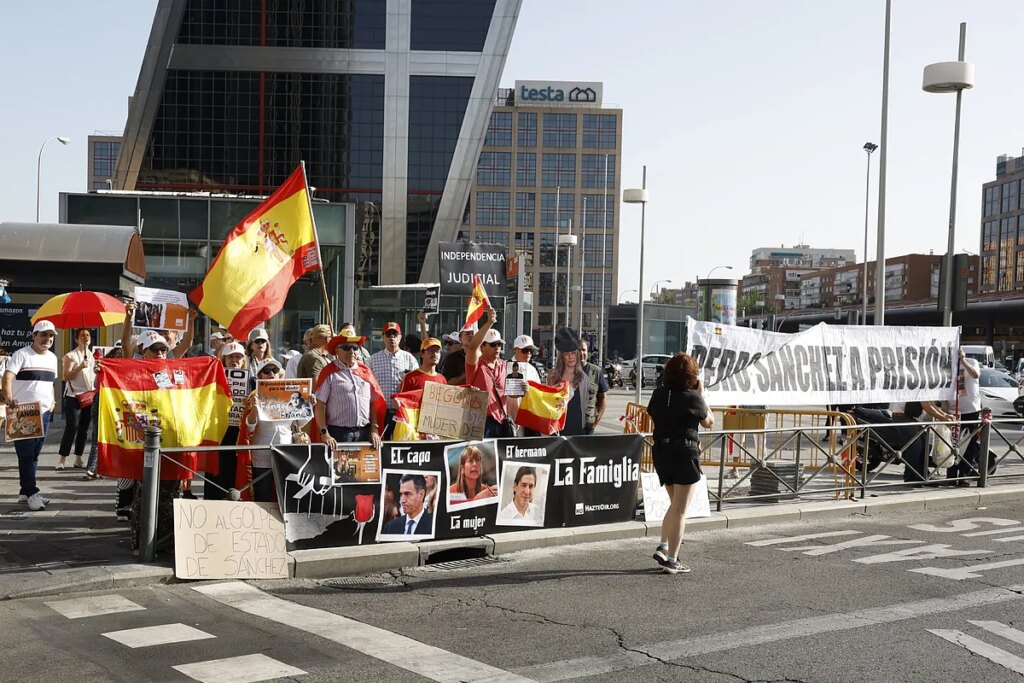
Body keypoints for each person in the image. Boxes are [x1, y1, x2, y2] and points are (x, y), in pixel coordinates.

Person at [646, 353, 714, 575]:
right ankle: (673, 560)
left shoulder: (658, 395)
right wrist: (701, 396)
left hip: (661, 452)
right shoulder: (692, 398)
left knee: (674, 503)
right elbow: (709, 422)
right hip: (684, 453)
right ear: (692, 377)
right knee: (681, 510)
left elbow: (655, 415)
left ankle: (664, 545)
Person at [2, 320, 58, 511]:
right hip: (23, 411)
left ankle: (25, 493)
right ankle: (31, 491)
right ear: (34, 335)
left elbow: (50, 383)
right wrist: (8, 396)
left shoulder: (52, 358)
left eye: (51, 336)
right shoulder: (22, 354)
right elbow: (8, 376)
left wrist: (53, 401)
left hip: (43, 412)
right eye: (43, 335)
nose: (47, 339)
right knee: (25, 454)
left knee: (34, 454)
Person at [239, 358, 310, 502]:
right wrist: (253, 408)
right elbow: (249, 426)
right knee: (262, 496)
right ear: (260, 376)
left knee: (284, 497)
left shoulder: (291, 394)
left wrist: (309, 406)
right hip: (262, 454)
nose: (271, 374)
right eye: (266, 371)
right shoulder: (254, 396)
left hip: (286, 452)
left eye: (275, 370)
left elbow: (300, 422)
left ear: (280, 374)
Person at [314, 331, 386, 451]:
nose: (351, 351)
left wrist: (374, 429)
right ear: (337, 351)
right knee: (340, 469)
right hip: (338, 433)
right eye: (346, 347)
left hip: (364, 432)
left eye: (355, 347)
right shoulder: (329, 372)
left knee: (363, 469)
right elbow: (320, 404)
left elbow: (374, 402)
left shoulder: (365, 371)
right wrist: (324, 433)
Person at [463, 309, 511, 438]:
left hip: (502, 419)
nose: (497, 348)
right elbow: (473, 347)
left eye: (500, 344)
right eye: (493, 344)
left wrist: (521, 390)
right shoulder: (476, 363)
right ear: (483, 346)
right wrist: (489, 322)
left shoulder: (505, 365)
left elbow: (512, 394)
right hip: (480, 421)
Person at [368, 322, 418, 438]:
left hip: (402, 412)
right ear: (383, 337)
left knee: (401, 443)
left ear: (400, 337)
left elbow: (416, 385)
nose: (392, 337)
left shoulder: (410, 359)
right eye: (388, 334)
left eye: (395, 334)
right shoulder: (372, 360)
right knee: (380, 445)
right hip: (380, 412)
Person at [58, 328, 96, 469]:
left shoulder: (92, 356)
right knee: (71, 427)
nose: (85, 337)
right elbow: (65, 376)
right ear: (76, 339)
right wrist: (80, 367)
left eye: (87, 335)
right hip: (73, 397)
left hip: (88, 396)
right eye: (82, 335)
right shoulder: (70, 356)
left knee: (84, 428)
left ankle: (78, 458)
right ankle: (62, 459)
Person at [948, 347, 983, 486]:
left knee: (969, 444)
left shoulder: (972, 361)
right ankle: (950, 475)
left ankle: (964, 476)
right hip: (953, 410)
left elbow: (975, 375)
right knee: (951, 443)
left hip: (970, 409)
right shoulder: (947, 365)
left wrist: (962, 360)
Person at [547, 327, 590, 437]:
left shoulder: (584, 378)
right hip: (557, 430)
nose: (570, 357)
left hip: (578, 431)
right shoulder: (553, 376)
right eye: (567, 354)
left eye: (573, 353)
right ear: (561, 357)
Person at [579, 339, 609, 435]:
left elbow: (603, 398)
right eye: (578, 350)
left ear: (587, 352)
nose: (581, 353)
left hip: (588, 427)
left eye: (583, 350)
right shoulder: (565, 372)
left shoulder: (596, 372)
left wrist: (596, 421)